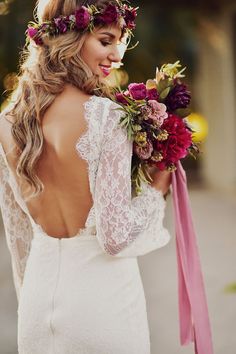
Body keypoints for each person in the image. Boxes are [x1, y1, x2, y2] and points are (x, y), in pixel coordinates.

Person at [0, 0, 172, 353]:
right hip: (102, 307)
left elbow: (17, 234)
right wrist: (157, 186)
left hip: (36, 305)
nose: (117, 55)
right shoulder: (106, 117)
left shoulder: (7, 121)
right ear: (71, 38)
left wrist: (31, 299)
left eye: (119, 42)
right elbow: (115, 237)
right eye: (105, 40)